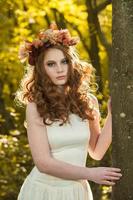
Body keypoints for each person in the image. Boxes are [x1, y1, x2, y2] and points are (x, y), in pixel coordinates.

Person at [15, 22, 122, 200]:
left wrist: (112, 116)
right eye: (51, 64)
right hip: (43, 191)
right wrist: (91, 174)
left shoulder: (87, 101)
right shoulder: (35, 106)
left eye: (64, 61)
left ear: (71, 63)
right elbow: (44, 163)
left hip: (76, 192)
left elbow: (96, 151)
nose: (60, 69)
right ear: (42, 69)